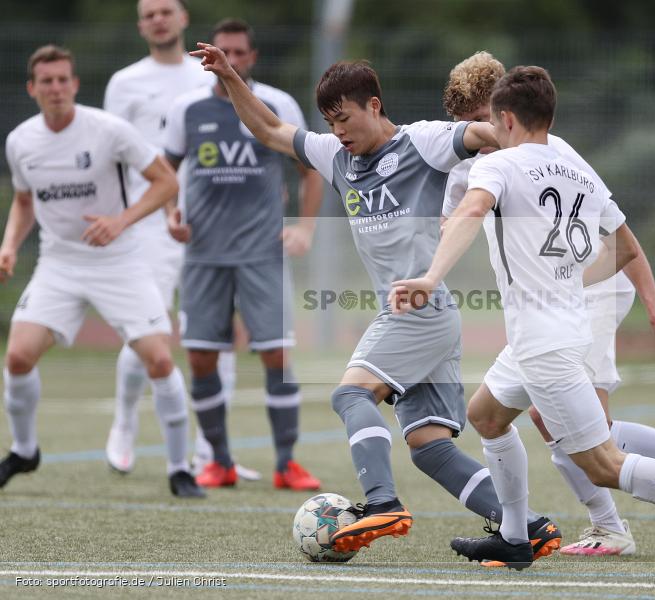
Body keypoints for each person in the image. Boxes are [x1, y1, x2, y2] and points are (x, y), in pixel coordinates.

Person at [392, 65, 655, 570]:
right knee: (487, 416)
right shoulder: (573, 169)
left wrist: (429, 278)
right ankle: (514, 537)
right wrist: (567, 279)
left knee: (601, 464)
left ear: (504, 118)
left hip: (542, 339)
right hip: (561, 325)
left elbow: (468, 214)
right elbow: (624, 247)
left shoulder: (499, 166)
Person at [188, 43, 562, 558]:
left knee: (348, 395)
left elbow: (479, 133)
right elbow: (271, 131)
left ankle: (382, 503)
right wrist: (231, 77)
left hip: (418, 310)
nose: (339, 131)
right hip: (429, 315)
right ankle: (528, 525)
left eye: (345, 119)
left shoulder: (422, 143)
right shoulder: (335, 156)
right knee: (430, 447)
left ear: (375, 106)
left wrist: (522, 143)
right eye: (330, 122)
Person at [0, 45, 203, 498]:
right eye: (46, 81)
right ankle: (24, 450)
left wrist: (121, 221)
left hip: (120, 262)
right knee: (16, 358)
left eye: (62, 80)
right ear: (32, 89)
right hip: (60, 264)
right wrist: (9, 246)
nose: (55, 88)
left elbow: (166, 181)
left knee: (160, 359)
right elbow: (24, 201)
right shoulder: (21, 141)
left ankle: (179, 468)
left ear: (74, 84)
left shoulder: (110, 130)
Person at [164, 19, 323, 491]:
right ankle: (220, 461)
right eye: (221, 51)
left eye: (237, 52)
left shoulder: (278, 104)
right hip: (203, 255)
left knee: (275, 354)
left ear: (251, 57)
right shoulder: (185, 109)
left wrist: (305, 228)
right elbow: (165, 172)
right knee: (200, 359)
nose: (227, 59)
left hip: (261, 253)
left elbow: (310, 169)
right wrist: (171, 214)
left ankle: (286, 464)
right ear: (205, 58)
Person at [102, 0, 250, 478]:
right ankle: (124, 423)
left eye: (167, 10)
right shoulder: (125, 83)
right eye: (149, 13)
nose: (158, 18)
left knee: (216, 337)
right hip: (150, 228)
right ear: (141, 24)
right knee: (147, 329)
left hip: (211, 227)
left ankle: (213, 452)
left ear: (185, 18)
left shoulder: (207, 72)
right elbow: (110, 156)